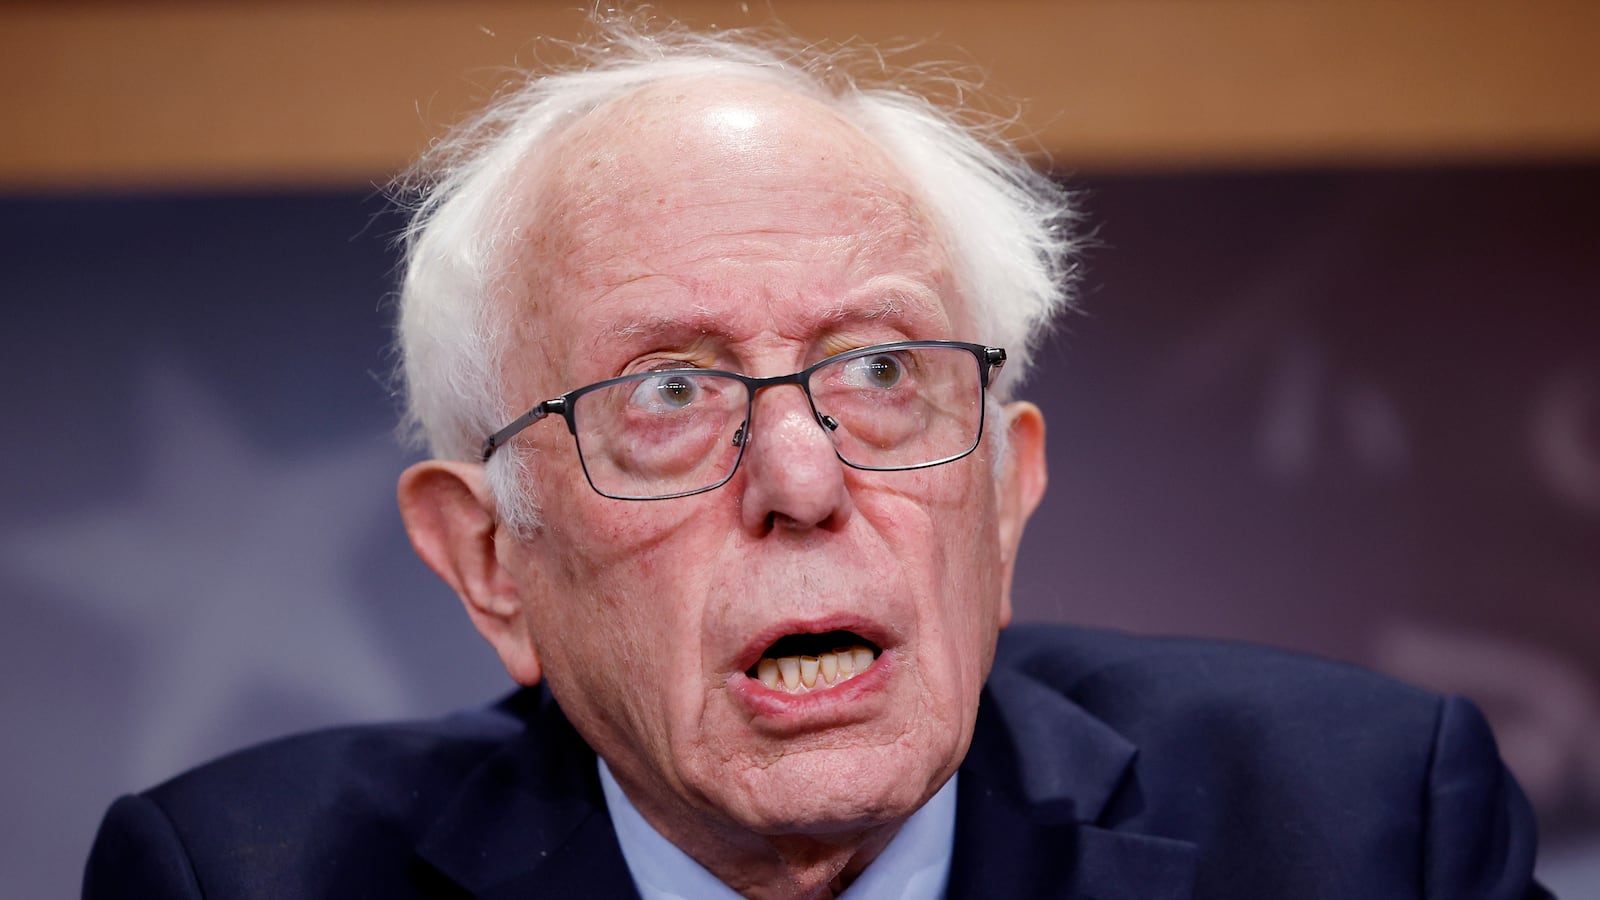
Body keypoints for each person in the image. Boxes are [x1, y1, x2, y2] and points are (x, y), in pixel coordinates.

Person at [84, 18, 1550, 900]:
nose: (801, 479)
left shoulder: (1359, 831)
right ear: (490, 562)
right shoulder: (240, 879)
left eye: (881, 371)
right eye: (669, 390)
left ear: (1004, 495)